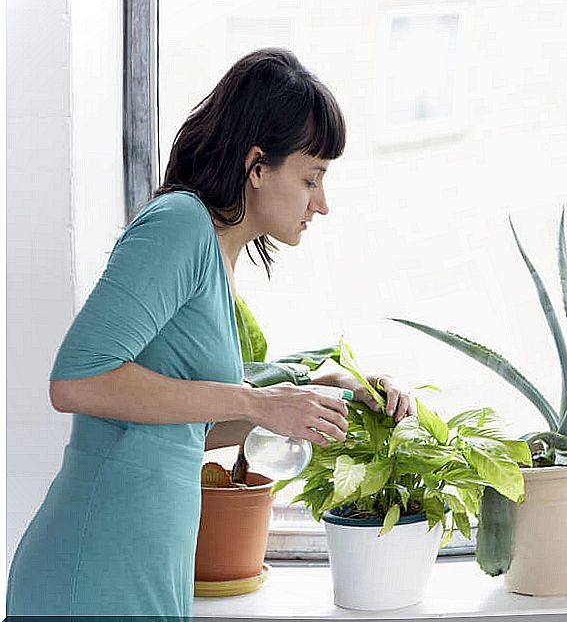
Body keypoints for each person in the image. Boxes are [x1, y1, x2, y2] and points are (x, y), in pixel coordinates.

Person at [5, 48, 416, 617]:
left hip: (147, 557)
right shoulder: (181, 225)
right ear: (257, 167)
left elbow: (181, 430)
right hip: (97, 560)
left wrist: (318, 391)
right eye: (311, 178)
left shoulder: (216, 256)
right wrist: (255, 399)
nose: (321, 203)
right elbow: (77, 380)